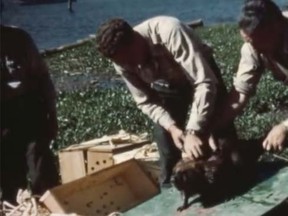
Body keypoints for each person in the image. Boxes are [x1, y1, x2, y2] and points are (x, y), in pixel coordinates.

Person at [95, 16, 235, 185]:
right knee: (165, 142)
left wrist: (193, 131)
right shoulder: (121, 60)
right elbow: (146, 101)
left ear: (135, 39)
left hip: (202, 74)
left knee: (223, 142)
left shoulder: (170, 31)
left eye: (130, 58)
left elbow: (203, 82)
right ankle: (170, 189)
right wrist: (173, 128)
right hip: (167, 84)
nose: (129, 64)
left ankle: (232, 177)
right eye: (123, 62)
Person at [214, 0, 288, 151]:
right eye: (248, 41)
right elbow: (240, 93)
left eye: (256, 42)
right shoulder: (253, 45)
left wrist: (285, 126)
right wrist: (212, 128)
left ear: (275, 28)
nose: (253, 47)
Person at [0, 25, 59, 202]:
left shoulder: (19, 38)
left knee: (41, 170)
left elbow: (42, 75)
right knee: (9, 179)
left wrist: (52, 112)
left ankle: (50, 207)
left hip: (30, 109)